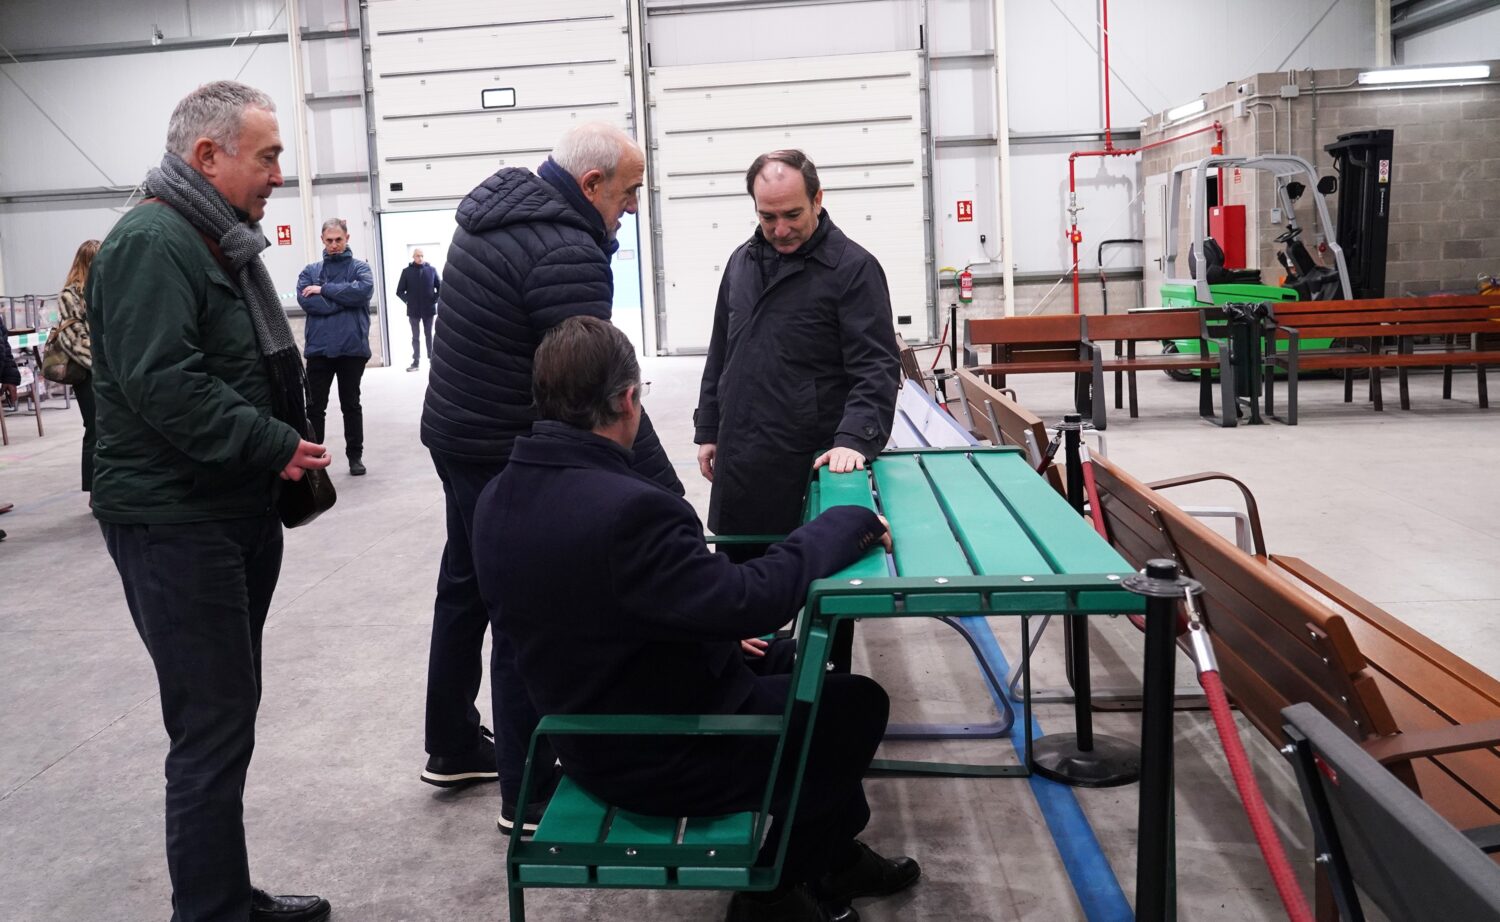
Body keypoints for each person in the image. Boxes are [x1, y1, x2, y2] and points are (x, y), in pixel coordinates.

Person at [473, 316, 920, 922]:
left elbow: (593, 612)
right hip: (655, 750)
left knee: (795, 663)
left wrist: (713, 633)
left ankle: (834, 858)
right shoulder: (631, 509)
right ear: (628, 400)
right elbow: (751, 598)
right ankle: (773, 892)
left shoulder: (499, 496)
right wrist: (843, 526)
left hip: (590, 726)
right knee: (855, 707)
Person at [86, 80, 332, 922]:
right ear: (207, 155)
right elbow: (164, 383)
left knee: (226, 716)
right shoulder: (152, 242)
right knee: (212, 725)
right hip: (176, 522)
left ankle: (223, 895)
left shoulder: (214, 240)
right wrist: (271, 441)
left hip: (226, 512)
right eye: (267, 157)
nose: (277, 175)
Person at [419, 122, 683, 834]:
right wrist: (665, 494)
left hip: (453, 431)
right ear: (591, 184)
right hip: (499, 443)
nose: (633, 207)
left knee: (466, 584)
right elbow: (599, 388)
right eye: (628, 193)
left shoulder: (496, 212)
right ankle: (528, 793)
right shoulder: (567, 251)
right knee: (524, 608)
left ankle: (451, 744)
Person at [694, 149, 900, 668]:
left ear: (818, 199)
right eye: (768, 217)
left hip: (807, 465)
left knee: (820, 599)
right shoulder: (742, 263)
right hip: (742, 463)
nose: (780, 229)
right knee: (738, 600)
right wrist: (709, 426)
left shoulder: (852, 269)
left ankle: (825, 692)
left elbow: (876, 367)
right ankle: (746, 691)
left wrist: (854, 439)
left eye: (792, 214)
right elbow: (722, 351)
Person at [297, 217, 373, 476]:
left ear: (347, 238)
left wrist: (324, 290)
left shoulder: (360, 269)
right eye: (329, 240)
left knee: (351, 404)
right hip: (319, 350)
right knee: (315, 408)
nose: (334, 245)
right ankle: (314, 459)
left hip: (352, 349)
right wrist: (344, 299)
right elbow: (308, 302)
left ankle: (355, 456)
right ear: (322, 240)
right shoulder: (310, 272)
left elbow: (363, 291)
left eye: (338, 239)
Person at [57, 239, 101, 493]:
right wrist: (100, 364)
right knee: (94, 428)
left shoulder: (103, 290)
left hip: (107, 370)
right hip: (87, 372)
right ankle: (94, 490)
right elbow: (73, 338)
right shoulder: (70, 296)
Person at [395, 248, 439, 372]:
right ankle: (416, 362)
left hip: (428, 309)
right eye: (418, 256)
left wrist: (434, 300)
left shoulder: (431, 270)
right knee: (415, 337)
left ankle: (432, 360)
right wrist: (408, 301)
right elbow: (399, 291)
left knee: (429, 335)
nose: (420, 258)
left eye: (422, 255)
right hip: (413, 310)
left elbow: (440, 287)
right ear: (413, 257)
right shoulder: (406, 272)